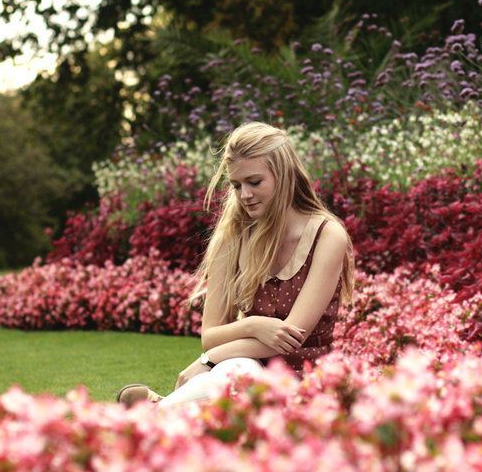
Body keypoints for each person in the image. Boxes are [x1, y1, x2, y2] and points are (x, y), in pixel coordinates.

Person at [117, 121, 355, 409]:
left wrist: (208, 361)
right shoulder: (234, 236)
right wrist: (255, 325)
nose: (244, 195)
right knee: (238, 374)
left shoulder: (327, 236)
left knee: (236, 380)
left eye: (255, 182)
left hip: (303, 382)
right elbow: (210, 335)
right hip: (245, 366)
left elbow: (290, 338)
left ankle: (155, 413)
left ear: (285, 175)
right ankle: (162, 413)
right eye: (236, 185)